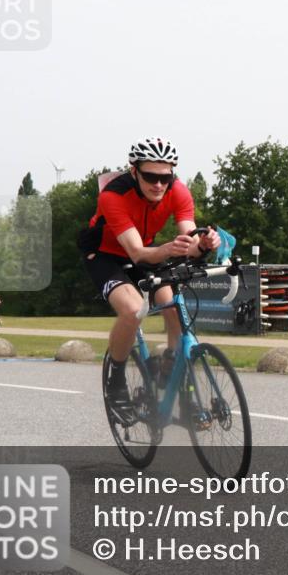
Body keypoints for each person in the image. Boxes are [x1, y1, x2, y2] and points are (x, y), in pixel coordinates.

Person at [79, 137, 218, 420]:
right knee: (133, 310)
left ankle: (171, 372)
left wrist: (203, 244)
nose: (158, 184)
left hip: (149, 253)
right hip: (106, 256)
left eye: (165, 177)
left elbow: (189, 239)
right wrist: (168, 249)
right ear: (134, 172)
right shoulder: (113, 196)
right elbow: (136, 252)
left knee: (174, 310)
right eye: (150, 176)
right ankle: (116, 383)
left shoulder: (178, 191)